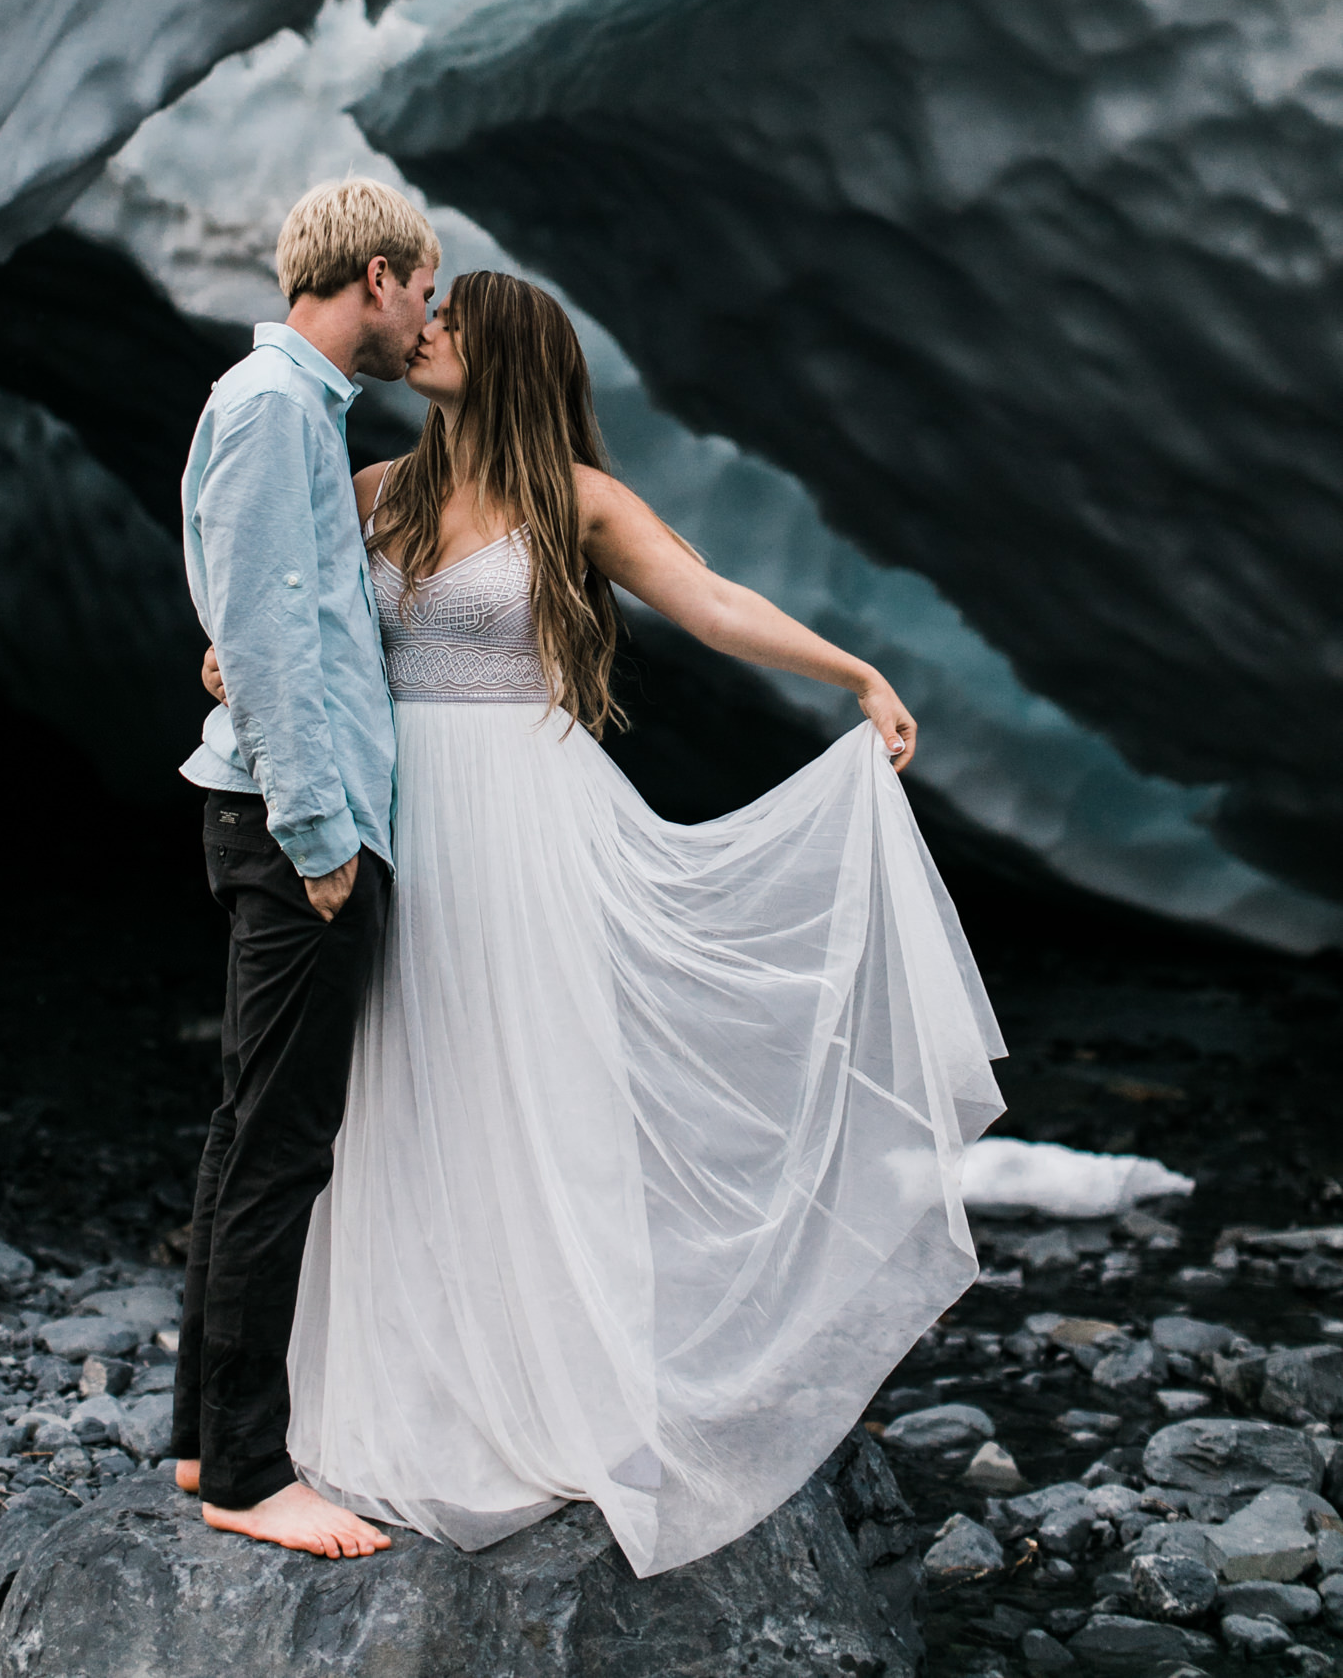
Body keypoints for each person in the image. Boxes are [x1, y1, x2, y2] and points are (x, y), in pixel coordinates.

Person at [202, 267, 1006, 1575]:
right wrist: (228, 656)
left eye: (450, 321)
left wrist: (853, 670)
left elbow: (711, 601)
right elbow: (276, 617)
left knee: (529, 1091)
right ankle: (390, 1408)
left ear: (507, 352)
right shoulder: (370, 493)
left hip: (522, 828)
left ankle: (547, 1400)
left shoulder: (575, 501)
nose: (423, 331)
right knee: (390, 1103)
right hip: (395, 814)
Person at [170, 178, 439, 1559]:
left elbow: (238, 601)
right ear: (378, 277)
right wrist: (322, 839)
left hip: (274, 817)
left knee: (243, 1131)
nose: (424, 325)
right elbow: (270, 640)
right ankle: (253, 1477)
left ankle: (203, 1440)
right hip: (296, 833)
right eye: (423, 295)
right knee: (280, 1149)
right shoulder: (278, 409)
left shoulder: (277, 407)